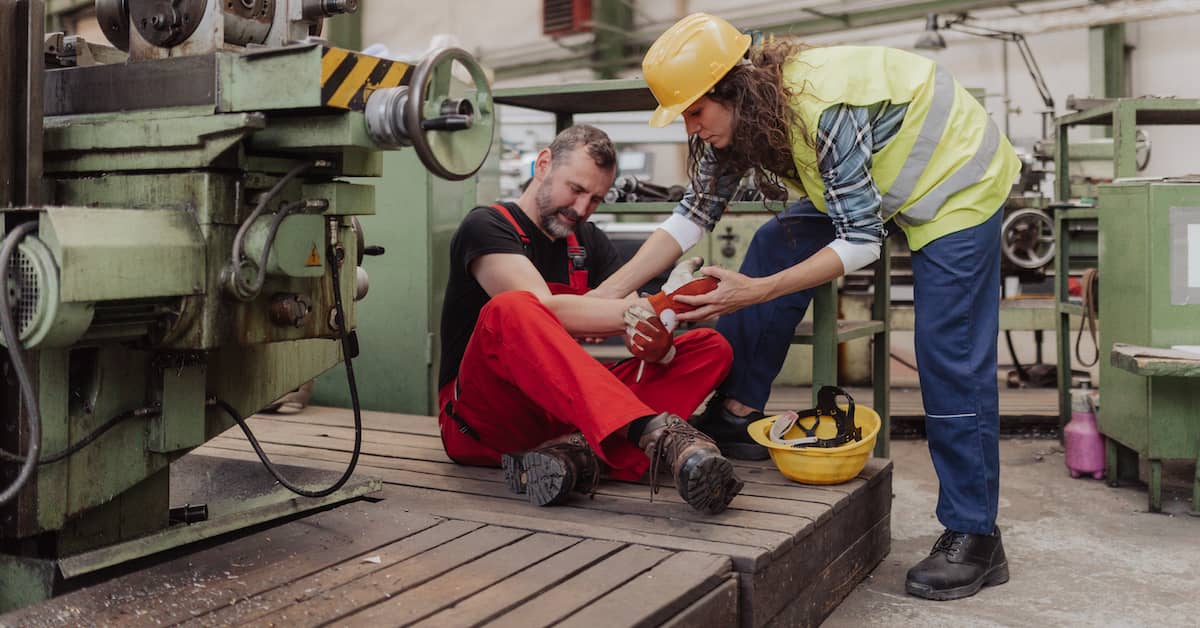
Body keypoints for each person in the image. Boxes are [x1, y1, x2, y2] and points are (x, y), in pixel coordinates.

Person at [594, 13, 1018, 600]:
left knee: (948, 347)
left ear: (730, 90)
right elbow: (692, 217)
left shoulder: (823, 109)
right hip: (882, 182)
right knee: (774, 243)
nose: (691, 128)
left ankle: (974, 534)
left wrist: (755, 290)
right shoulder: (742, 121)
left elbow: (862, 240)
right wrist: (604, 296)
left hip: (954, 181)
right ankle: (739, 412)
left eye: (694, 112)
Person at [437, 124, 743, 514]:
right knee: (511, 308)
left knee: (709, 348)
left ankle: (575, 458)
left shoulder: (589, 242)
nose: (582, 209)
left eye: (595, 199)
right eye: (576, 190)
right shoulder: (488, 226)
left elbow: (639, 333)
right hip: (487, 418)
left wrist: (660, 334)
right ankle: (647, 433)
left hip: (568, 411)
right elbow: (546, 309)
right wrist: (657, 305)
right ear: (543, 164)